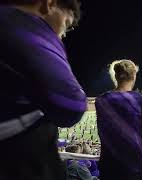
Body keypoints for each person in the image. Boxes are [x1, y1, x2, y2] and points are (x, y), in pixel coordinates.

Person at [0, 0, 86, 180]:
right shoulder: (21, 24)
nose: (62, 34)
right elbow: (71, 104)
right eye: (66, 24)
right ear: (49, 4)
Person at [95, 60, 142, 180]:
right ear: (134, 76)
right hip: (135, 166)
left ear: (116, 77)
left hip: (109, 165)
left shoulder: (101, 100)